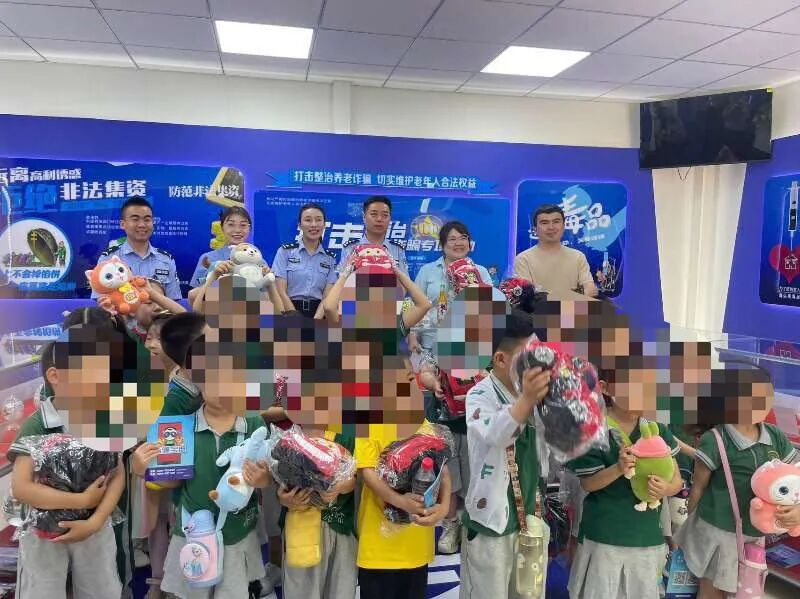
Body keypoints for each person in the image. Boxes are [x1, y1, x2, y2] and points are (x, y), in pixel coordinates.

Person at [132, 312, 274, 599]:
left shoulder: (254, 424)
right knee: (191, 591)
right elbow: (170, 478)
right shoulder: (179, 427)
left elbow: (266, 474)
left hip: (237, 533)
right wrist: (143, 468)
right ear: (193, 375)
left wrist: (262, 479)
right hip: (193, 532)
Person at [10, 327, 127, 598]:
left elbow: (118, 473)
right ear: (55, 376)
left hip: (95, 527)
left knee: (102, 589)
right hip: (43, 531)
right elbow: (22, 487)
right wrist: (82, 500)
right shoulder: (37, 425)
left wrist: (95, 521)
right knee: (42, 590)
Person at [675, 365, 800, 599]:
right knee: (711, 589)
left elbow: (795, 477)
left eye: (767, 397)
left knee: (745, 590)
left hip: (754, 534)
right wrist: (692, 526)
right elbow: (699, 487)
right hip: (716, 533)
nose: (761, 404)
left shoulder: (775, 437)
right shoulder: (716, 439)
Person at [566, 368, 683, 599]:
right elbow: (588, 484)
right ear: (605, 387)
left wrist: (667, 488)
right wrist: (618, 469)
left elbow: (677, 480)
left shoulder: (658, 430)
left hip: (646, 537)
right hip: (605, 536)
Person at [459, 309, 551, 599]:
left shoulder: (540, 396)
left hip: (532, 516)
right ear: (500, 359)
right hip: (492, 522)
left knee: (529, 592)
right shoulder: (479, 395)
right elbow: (497, 434)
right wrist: (526, 400)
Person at [94, 196, 182, 300]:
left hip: (158, 311)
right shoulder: (108, 259)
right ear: (123, 224)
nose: (142, 225)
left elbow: (173, 302)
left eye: (147, 219)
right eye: (135, 219)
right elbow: (100, 300)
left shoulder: (166, 260)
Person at [513, 204, 597, 297]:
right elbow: (526, 296)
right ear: (535, 229)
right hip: (540, 307)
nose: (551, 227)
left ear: (563, 226)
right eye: (544, 223)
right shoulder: (523, 259)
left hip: (572, 306)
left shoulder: (578, 257)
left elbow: (590, 288)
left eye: (556, 222)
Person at [272, 203, 337, 318]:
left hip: (319, 313)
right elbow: (280, 291)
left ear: (324, 225)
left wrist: (316, 322)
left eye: (318, 220)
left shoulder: (330, 259)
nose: (314, 225)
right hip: (289, 312)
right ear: (300, 225)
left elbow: (327, 296)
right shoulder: (285, 252)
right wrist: (295, 318)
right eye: (308, 220)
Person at [188, 206, 254, 305]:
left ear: (250, 228)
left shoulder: (257, 259)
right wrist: (215, 278)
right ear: (222, 227)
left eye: (243, 225)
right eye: (231, 224)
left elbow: (267, 299)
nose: (237, 230)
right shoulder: (208, 258)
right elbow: (193, 297)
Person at [336, 196, 408, 276]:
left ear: (390, 219)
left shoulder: (397, 249)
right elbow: (341, 279)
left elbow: (405, 282)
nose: (379, 219)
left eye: (385, 215)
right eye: (374, 214)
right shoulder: (350, 248)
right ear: (364, 217)